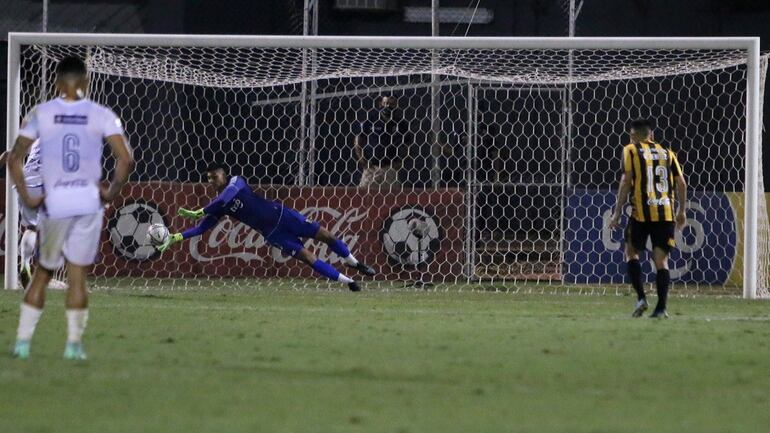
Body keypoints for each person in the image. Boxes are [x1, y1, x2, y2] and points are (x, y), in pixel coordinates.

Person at [8, 56, 134, 360]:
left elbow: (13, 157)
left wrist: (28, 196)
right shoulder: (101, 114)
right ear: (87, 82)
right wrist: (110, 193)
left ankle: (23, 343)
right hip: (82, 198)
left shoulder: (41, 113)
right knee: (77, 275)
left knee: (42, 273)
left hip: (49, 195)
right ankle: (73, 346)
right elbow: (126, 160)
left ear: (56, 83)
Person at [158, 163, 375, 291]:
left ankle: (354, 263)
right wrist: (176, 237)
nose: (212, 182)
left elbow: (228, 195)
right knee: (309, 258)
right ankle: (349, 282)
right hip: (273, 233)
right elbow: (201, 229)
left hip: (283, 215)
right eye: (209, 179)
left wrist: (201, 211)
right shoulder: (219, 206)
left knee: (326, 236)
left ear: (224, 174)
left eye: (215, 177)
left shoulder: (236, 182)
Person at [609, 118, 686, 318]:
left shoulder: (630, 150)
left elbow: (626, 181)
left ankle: (642, 298)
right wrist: (682, 211)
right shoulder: (668, 153)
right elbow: (682, 184)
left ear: (633, 135)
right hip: (666, 213)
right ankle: (661, 308)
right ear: (651, 134)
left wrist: (617, 212)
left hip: (641, 214)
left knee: (631, 252)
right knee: (661, 260)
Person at [353, 95, 408, 187]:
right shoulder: (371, 120)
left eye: (391, 104)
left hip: (389, 169)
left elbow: (408, 144)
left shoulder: (401, 124)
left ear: (396, 105)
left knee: (392, 194)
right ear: (380, 104)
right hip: (371, 168)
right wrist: (362, 160)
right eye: (385, 103)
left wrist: (401, 162)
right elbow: (358, 139)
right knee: (364, 193)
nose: (388, 106)